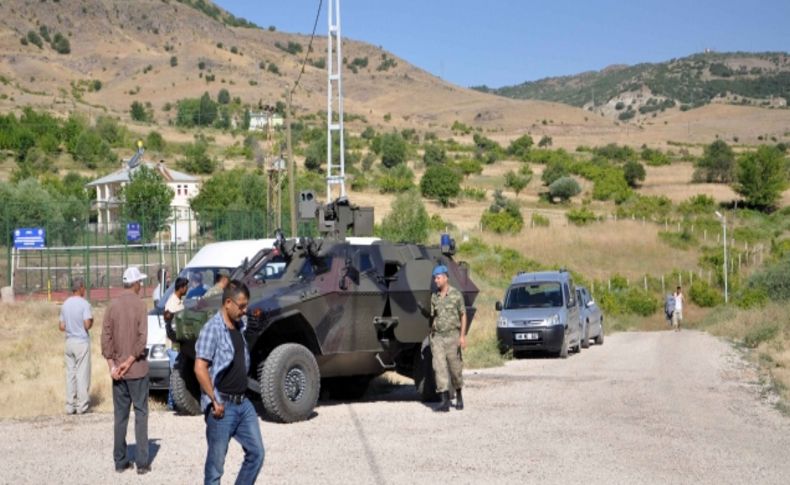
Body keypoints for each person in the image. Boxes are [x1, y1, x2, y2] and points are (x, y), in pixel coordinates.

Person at [194, 280, 264, 484]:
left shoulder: (240, 326)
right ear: (227, 303)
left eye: (246, 305)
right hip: (222, 406)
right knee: (215, 468)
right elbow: (200, 368)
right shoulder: (212, 329)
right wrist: (214, 400)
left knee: (257, 453)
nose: (245, 310)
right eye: (241, 306)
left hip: (244, 403)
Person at [101, 266, 150, 475]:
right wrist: (129, 362)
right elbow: (142, 340)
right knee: (140, 414)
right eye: (141, 282)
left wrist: (113, 366)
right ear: (136, 283)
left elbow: (105, 338)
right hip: (137, 370)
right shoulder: (141, 306)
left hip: (118, 374)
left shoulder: (111, 306)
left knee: (120, 417)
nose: (142, 285)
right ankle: (142, 463)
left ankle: (120, 461)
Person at [429, 264, 468, 412]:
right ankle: (444, 401)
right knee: (439, 368)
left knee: (455, 369)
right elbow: (434, 317)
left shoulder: (456, 295)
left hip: (453, 336)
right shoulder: (434, 297)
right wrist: (432, 333)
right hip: (438, 337)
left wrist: (462, 336)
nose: (435, 281)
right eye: (434, 278)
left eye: (437, 278)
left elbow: (463, 315)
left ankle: (458, 395)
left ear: (445, 278)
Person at [59, 277, 93, 415]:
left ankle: (70, 405)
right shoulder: (84, 304)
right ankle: (82, 406)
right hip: (81, 342)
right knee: (82, 373)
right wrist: (92, 321)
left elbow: (61, 326)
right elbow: (87, 324)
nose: (85, 289)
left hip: (69, 341)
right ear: (80, 288)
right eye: (84, 287)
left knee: (70, 374)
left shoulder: (65, 304)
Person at [163, 277, 189, 410]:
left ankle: (172, 403)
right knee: (176, 374)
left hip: (177, 345)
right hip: (173, 345)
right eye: (186, 287)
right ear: (182, 287)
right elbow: (169, 326)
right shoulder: (172, 303)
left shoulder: (178, 301)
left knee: (176, 374)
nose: (187, 289)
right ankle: (172, 404)